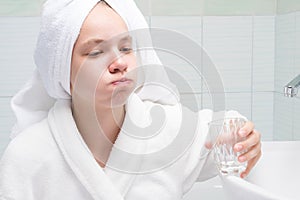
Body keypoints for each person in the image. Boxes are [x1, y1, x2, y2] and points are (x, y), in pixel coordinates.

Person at [0, 0, 261, 199]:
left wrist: (240, 138)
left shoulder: (167, 130)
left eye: (126, 48)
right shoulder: (26, 156)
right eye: (95, 52)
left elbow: (218, 132)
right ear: (61, 72)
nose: (120, 63)